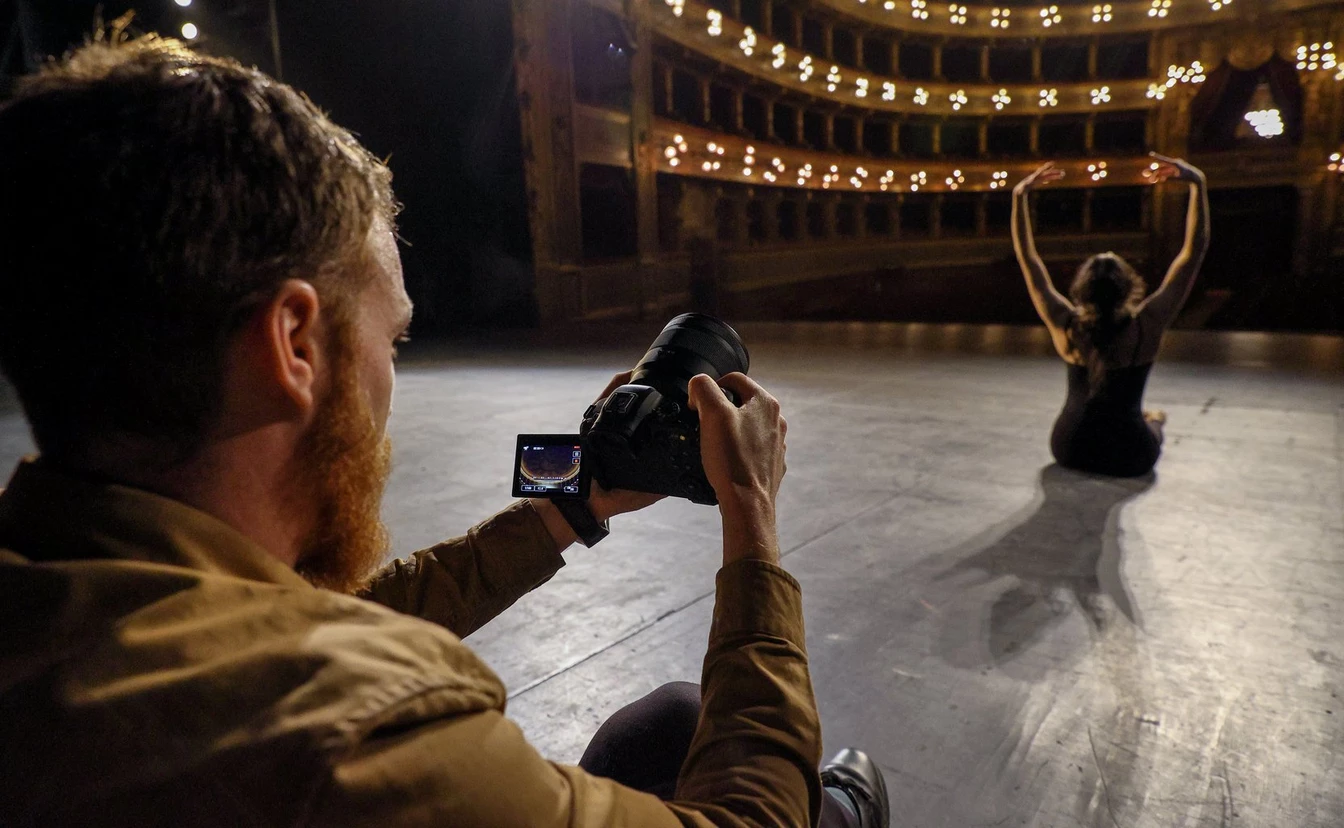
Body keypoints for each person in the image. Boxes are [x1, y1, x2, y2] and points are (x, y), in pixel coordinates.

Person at [0, 33, 889, 828]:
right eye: (391, 340)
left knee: (671, 724)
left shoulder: (70, 595)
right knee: (788, 790)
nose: (390, 381)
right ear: (295, 344)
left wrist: (570, 507)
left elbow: (337, 611)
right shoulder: (357, 739)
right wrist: (752, 515)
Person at [1011, 154, 1210, 477]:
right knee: (1155, 421)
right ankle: (1154, 420)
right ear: (1129, 285)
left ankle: (1150, 419)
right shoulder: (1148, 324)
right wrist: (1197, 184)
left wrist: (1019, 196)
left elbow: (1028, 259)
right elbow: (1193, 253)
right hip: (1129, 455)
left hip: (1069, 447)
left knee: (1140, 418)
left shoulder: (1066, 324)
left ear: (1082, 288)